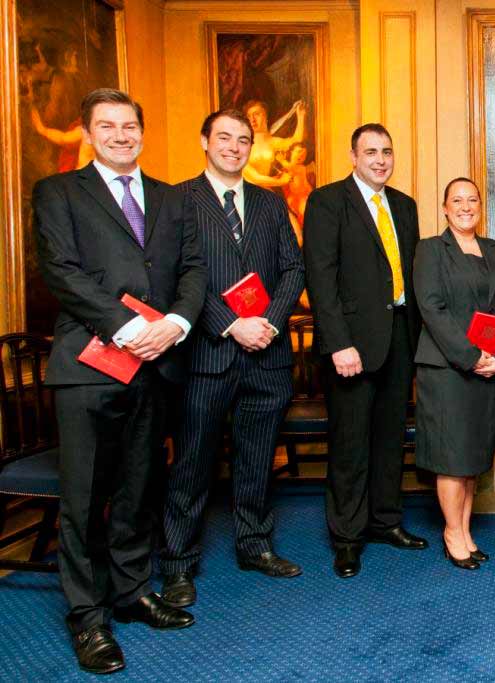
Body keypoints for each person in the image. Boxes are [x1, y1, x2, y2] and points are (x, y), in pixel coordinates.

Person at [33, 88, 206, 674]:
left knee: (140, 487)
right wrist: (127, 326)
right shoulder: (58, 192)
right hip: (89, 364)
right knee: (83, 497)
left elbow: (192, 270)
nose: (120, 135)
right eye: (107, 126)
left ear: (142, 131)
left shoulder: (170, 197)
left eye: (129, 125)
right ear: (87, 133)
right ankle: (88, 618)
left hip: (157, 364)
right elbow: (61, 270)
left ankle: (131, 593)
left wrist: (178, 323)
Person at [160, 109, 306, 608]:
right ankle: (178, 562)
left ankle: (254, 544)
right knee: (194, 462)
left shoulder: (269, 202)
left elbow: (293, 268)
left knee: (258, 459)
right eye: (224, 138)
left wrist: (267, 321)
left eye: (243, 140)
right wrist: (230, 323)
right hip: (207, 354)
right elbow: (178, 277)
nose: (234, 147)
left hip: (266, 356)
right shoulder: (177, 200)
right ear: (204, 140)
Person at [303, 123, 425, 580]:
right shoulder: (328, 202)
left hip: (399, 335)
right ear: (353, 156)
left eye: (387, 151)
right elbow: (320, 276)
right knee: (351, 441)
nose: (380, 159)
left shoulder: (405, 206)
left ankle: (385, 521)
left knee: (390, 436)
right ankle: (348, 537)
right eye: (370, 151)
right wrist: (338, 343)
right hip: (350, 343)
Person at [413, 177, 495, 570]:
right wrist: (470, 356)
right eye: (458, 200)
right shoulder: (431, 250)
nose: (466, 206)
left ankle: (465, 530)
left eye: (473, 200)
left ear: (480, 206)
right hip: (448, 369)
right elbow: (431, 309)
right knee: (451, 456)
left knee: (472, 455)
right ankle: (453, 532)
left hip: (490, 368)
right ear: (445, 207)